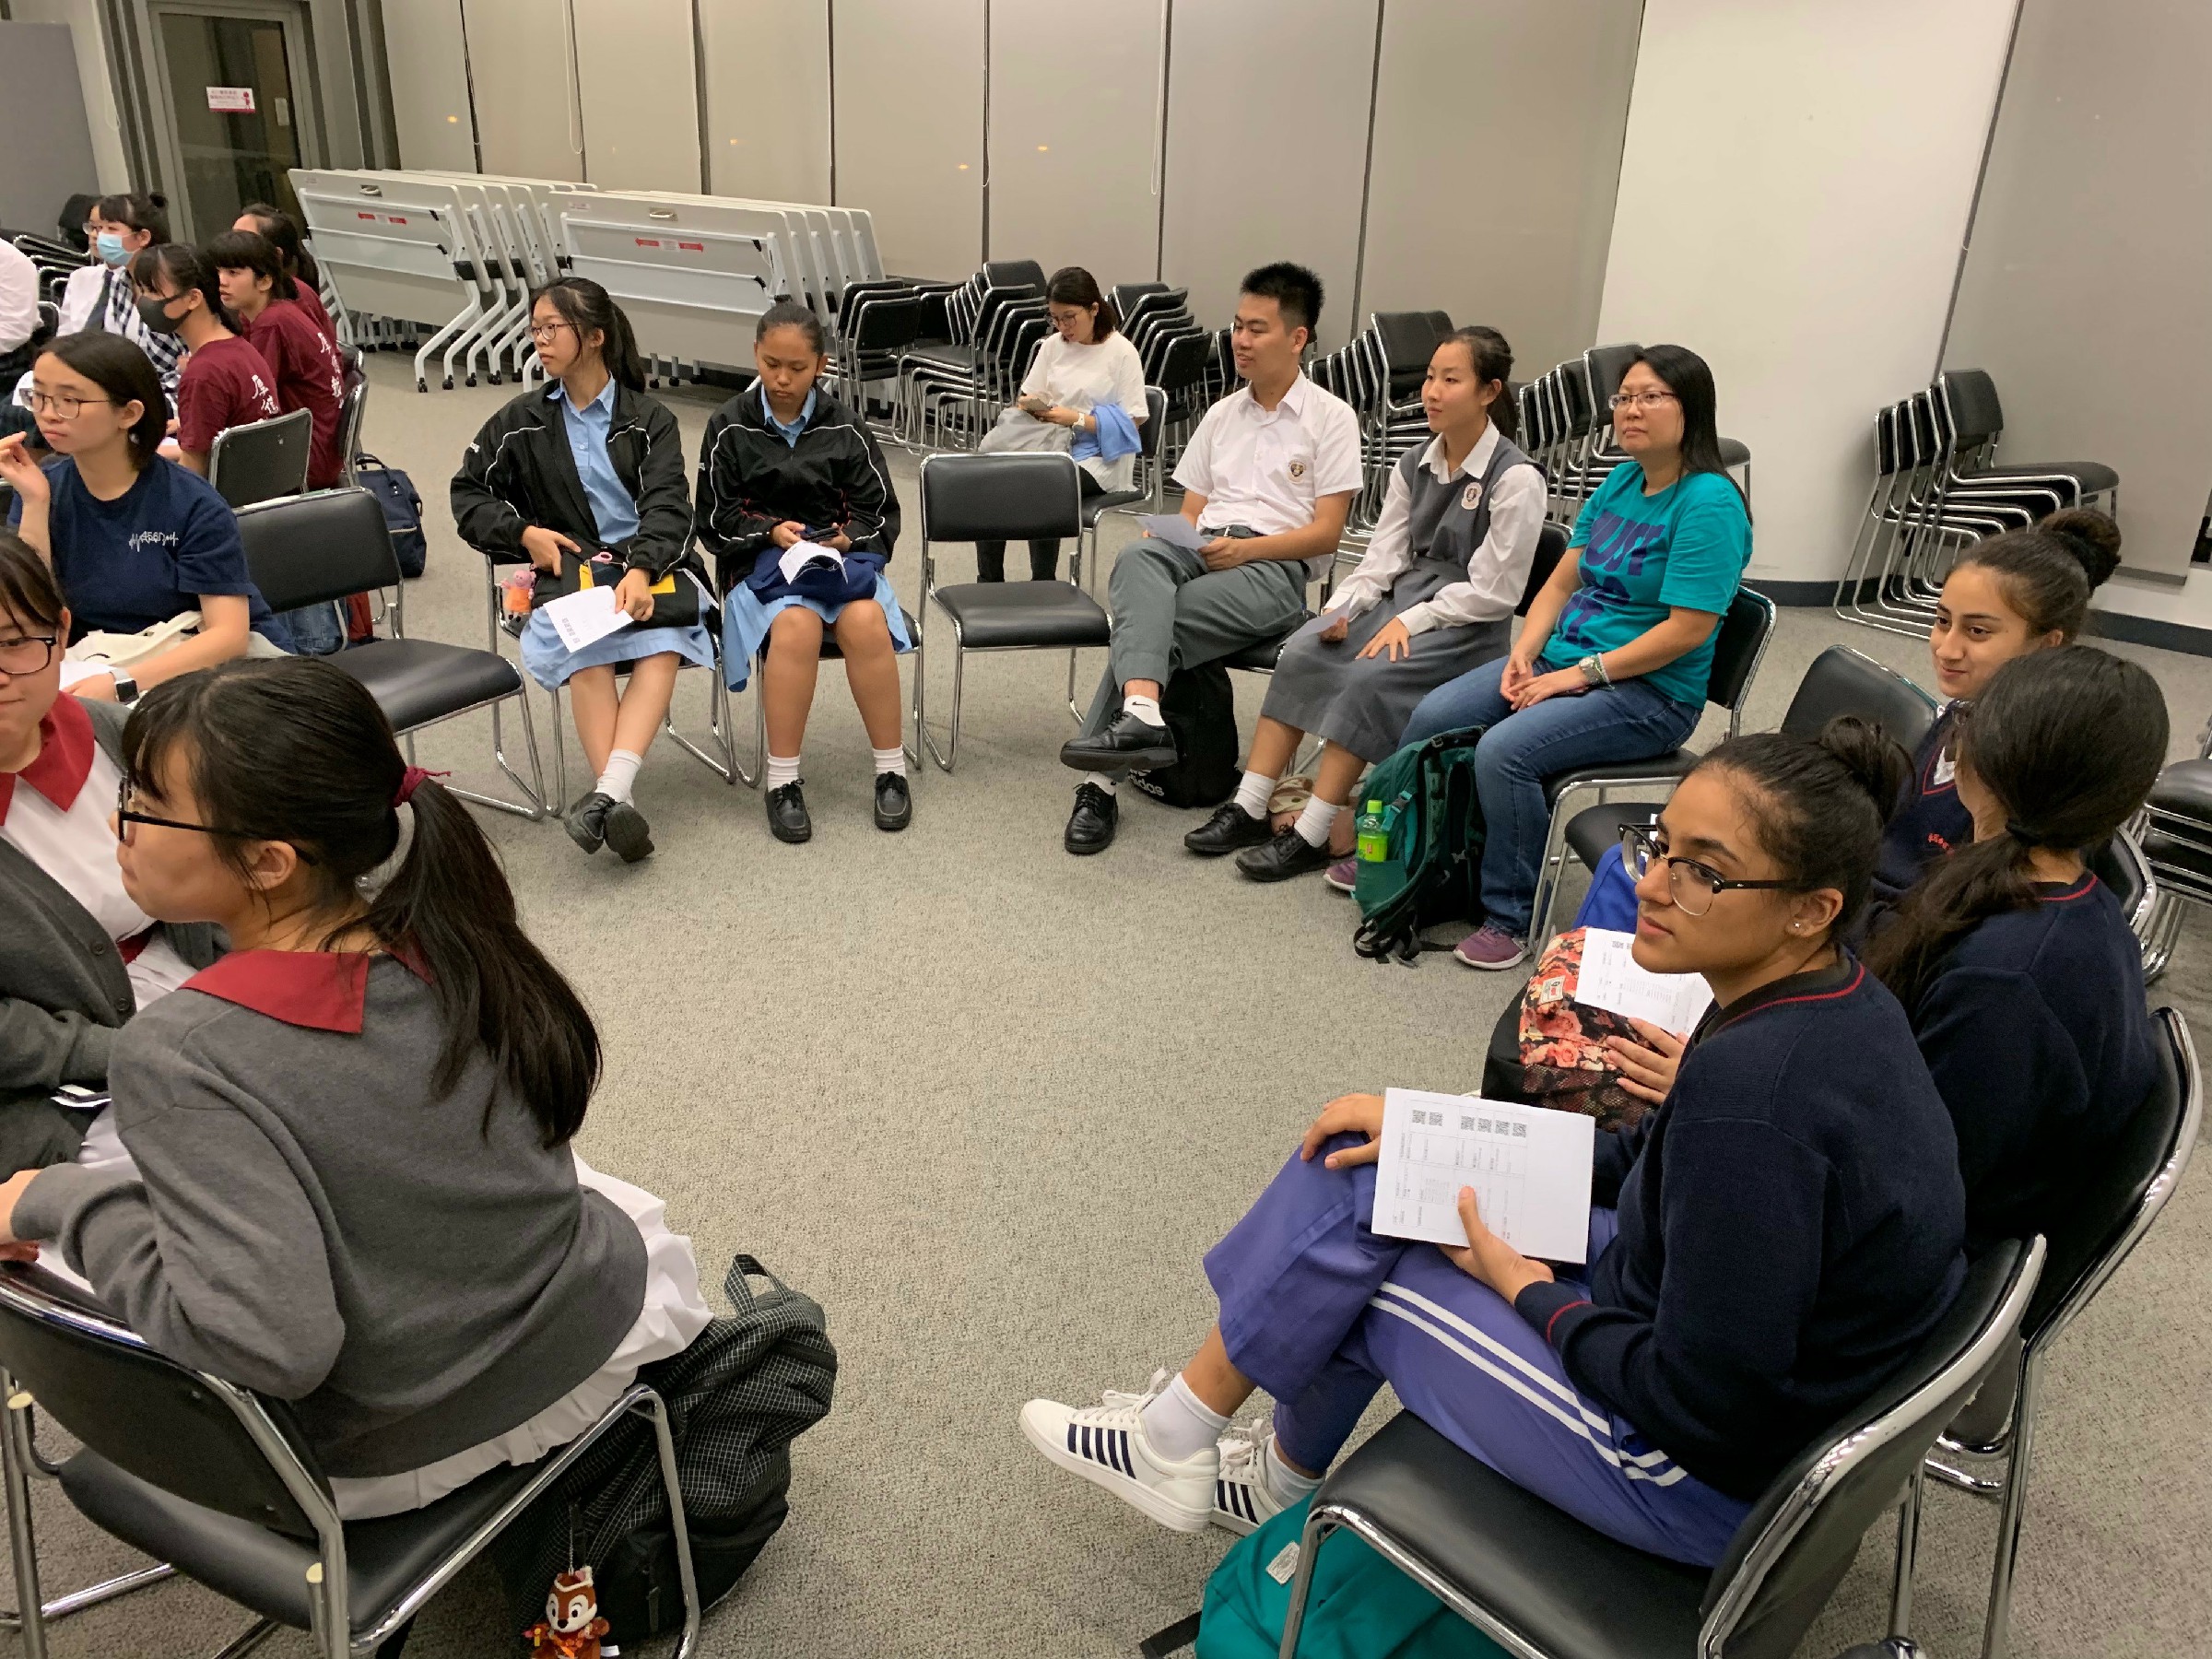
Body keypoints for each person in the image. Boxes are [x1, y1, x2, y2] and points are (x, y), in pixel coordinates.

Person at [1021, 723, 1963, 1566]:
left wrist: (1526, 1289)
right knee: (1383, 1172)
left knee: (1371, 1264)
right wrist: (1443, 1132)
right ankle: (1216, 1453)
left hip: (1702, 1481)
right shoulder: (1821, 995)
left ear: (1812, 908)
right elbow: (1645, 1168)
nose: (1650, 884)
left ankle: (1190, 1445)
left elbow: (1702, 1401)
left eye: (1703, 873)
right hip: (1688, 1329)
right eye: (1662, 845)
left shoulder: (1755, 1101)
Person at [0, 656, 712, 1525]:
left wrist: (61, 1199)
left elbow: (270, 1347)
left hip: (414, 1442)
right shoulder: (442, 929)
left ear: (268, 862)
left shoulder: (180, 1055)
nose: (119, 825)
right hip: (598, 1327)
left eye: (142, 803)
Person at [1395, 345, 1751, 971]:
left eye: (1650, 397)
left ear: (1692, 409)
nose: (1630, 410)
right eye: (1624, 398)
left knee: (1504, 752)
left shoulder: (1710, 504)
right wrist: (1524, 652)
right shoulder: (1621, 481)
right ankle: (1428, 867)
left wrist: (1575, 676)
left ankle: (1511, 916)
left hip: (1650, 693)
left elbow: (1687, 631)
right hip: (1566, 662)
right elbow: (1561, 582)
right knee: (1434, 715)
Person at [1183, 326, 1544, 882]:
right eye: (1430, 377)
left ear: (1489, 392)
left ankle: (1313, 831)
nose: (1432, 392)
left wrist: (1412, 619)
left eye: (1451, 380)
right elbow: (1382, 559)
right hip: (1403, 599)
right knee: (1303, 652)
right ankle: (1250, 805)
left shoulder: (1516, 477)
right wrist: (1343, 610)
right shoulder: (1414, 462)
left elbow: (1495, 592)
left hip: (1465, 624)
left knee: (1368, 679)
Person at [1056, 262, 1361, 856]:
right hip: (1205, 549)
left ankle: (1099, 786)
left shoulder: (1331, 418)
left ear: (1297, 338)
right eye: (1237, 326)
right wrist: (1169, 538)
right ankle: (1142, 712)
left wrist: (1247, 549)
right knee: (1138, 558)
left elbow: (1327, 534)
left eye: (1256, 329)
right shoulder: (1222, 415)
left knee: (1150, 624)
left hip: (1273, 571)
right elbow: (1191, 513)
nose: (1240, 340)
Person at [453, 279, 710, 864]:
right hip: (576, 573)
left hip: (651, 563)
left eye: (551, 328)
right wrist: (523, 533)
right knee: (587, 648)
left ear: (593, 337)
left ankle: (608, 796)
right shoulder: (521, 420)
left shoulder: (650, 419)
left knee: (662, 642)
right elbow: (468, 494)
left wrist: (642, 568)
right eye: (535, 329)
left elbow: (670, 507)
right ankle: (616, 800)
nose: (538, 341)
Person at [0, 535, 221, 1175]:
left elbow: (222, 882)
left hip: (195, 994)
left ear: (61, 632)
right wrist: (128, 1050)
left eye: (14, 642)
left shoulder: (117, 736)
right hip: (56, 1077)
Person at [693, 300, 910, 843]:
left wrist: (845, 538)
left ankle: (891, 770)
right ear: (756, 355)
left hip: (837, 563)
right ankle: (783, 781)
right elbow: (715, 517)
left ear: (821, 365)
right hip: (759, 564)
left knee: (865, 622)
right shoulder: (728, 426)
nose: (782, 379)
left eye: (796, 368)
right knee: (796, 625)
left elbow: (878, 511)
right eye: (771, 364)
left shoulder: (846, 427)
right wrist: (770, 531)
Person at [0, 331, 292, 700]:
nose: (47, 414)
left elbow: (228, 637)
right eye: (39, 396)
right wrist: (34, 503)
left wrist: (122, 683)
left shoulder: (191, 502)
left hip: (207, 669)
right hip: (105, 659)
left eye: (69, 400)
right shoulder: (43, 490)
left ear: (129, 414)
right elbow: (31, 611)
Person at [1872, 509, 2122, 909]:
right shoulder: (1965, 709)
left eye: (1977, 631)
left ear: (2048, 644)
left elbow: (1959, 914)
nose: (1946, 649)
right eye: (1942, 621)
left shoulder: (2026, 781)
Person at [973, 266, 1146, 582]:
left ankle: (1043, 582)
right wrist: (1035, 406)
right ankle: (989, 581)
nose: (1063, 326)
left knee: (1043, 484)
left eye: (1069, 317)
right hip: (1049, 442)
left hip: (1099, 456)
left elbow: (1132, 423)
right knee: (991, 478)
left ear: (1094, 309)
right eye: (1055, 318)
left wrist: (1075, 419)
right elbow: (1030, 394)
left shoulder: (1122, 352)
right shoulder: (1053, 345)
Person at [206, 229, 344, 491]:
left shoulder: (272, 323)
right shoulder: (269, 312)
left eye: (233, 273)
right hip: (317, 446)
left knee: (197, 462)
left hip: (305, 457)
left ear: (264, 281)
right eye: (218, 272)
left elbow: (252, 400)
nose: (221, 282)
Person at [128, 243, 280, 477]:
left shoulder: (203, 374)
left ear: (193, 298)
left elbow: (193, 472)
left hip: (227, 493)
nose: (144, 301)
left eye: (153, 291)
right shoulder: (240, 347)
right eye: (142, 290)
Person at [50, 194, 183, 405]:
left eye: (110, 229)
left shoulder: (171, 284)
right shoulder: (120, 281)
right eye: (96, 228)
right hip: (129, 392)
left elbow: (184, 363)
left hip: (170, 398)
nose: (98, 236)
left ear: (142, 237)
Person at [233, 203, 336, 344]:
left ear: (275, 255)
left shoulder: (277, 311)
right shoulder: (253, 296)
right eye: (232, 237)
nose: (231, 247)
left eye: (244, 241)